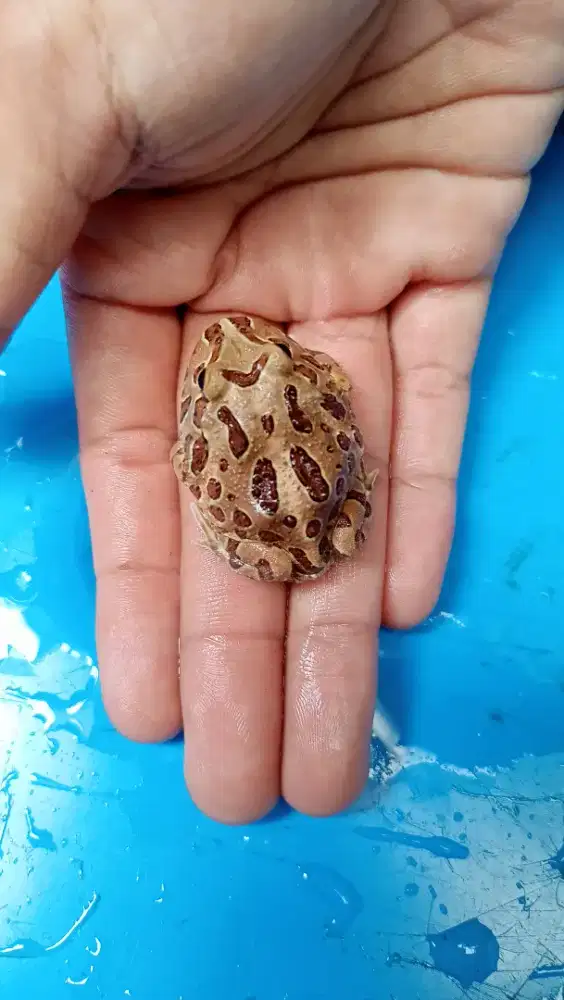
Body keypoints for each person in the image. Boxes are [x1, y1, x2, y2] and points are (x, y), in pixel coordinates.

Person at [1, 0, 562, 824]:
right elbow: (296, 412)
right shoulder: (298, 379)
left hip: (304, 504)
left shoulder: (261, 397)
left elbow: (211, 454)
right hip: (298, 509)